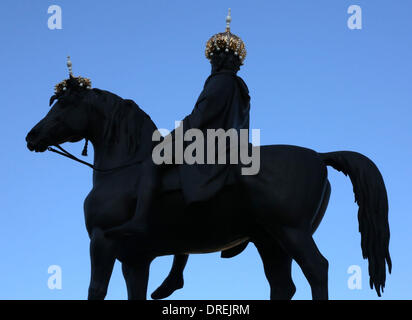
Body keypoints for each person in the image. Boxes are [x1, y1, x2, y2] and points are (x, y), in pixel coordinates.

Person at [106, 9, 250, 237]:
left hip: (206, 143)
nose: (212, 64)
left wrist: (174, 135)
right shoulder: (238, 86)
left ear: (218, 60)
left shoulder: (219, 82)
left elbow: (201, 117)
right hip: (228, 144)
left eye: (213, 59)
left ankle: (140, 220)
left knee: (152, 163)